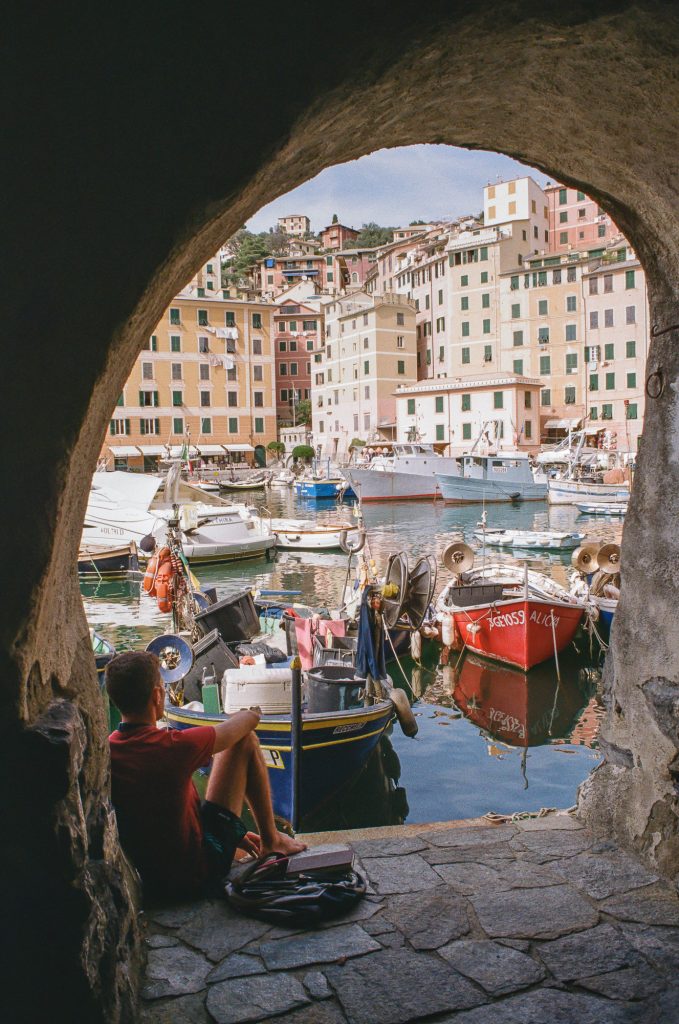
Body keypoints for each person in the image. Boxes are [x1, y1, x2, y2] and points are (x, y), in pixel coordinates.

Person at [106, 650, 305, 902]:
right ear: (157, 695)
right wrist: (252, 713)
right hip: (195, 876)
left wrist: (237, 835)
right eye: (162, 687)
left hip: (153, 878)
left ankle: (253, 839)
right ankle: (272, 839)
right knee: (243, 740)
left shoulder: (111, 747)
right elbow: (237, 729)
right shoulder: (171, 746)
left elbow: (162, 810)